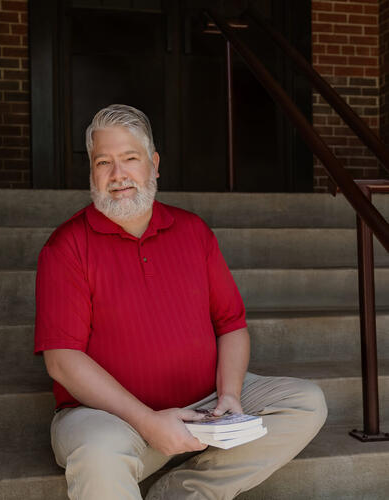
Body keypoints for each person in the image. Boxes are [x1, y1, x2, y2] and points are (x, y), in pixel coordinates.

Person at [34, 104, 327, 500]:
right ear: (92, 174)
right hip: (111, 418)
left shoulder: (193, 232)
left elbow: (231, 324)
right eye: (103, 162)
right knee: (98, 453)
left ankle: (183, 492)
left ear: (154, 165)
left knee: (305, 403)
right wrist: (147, 421)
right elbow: (61, 361)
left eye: (130, 159)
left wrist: (230, 395)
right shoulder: (67, 246)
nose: (118, 175)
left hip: (204, 406)